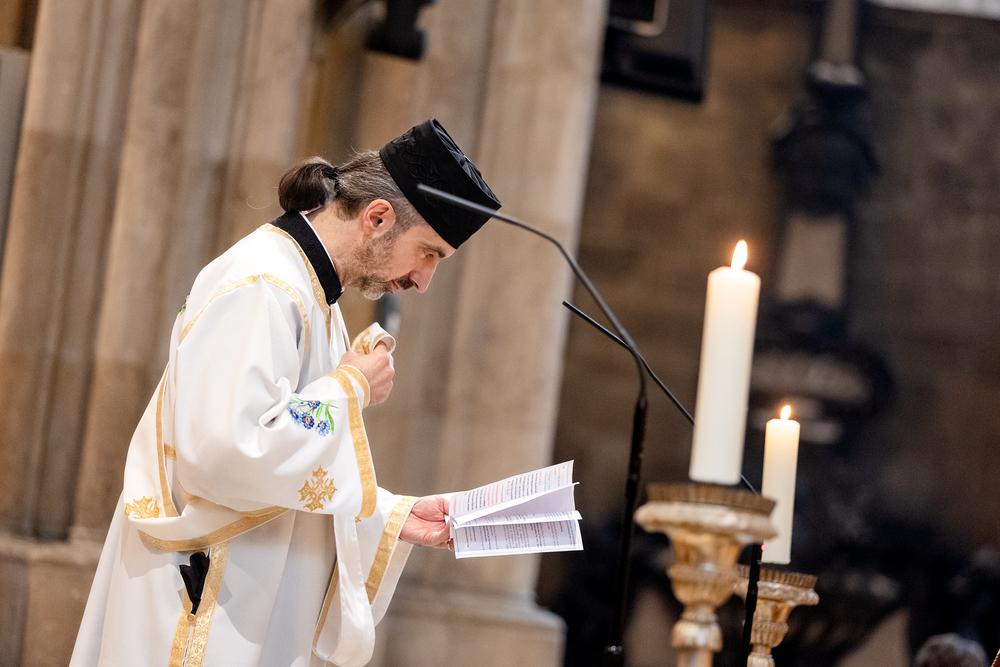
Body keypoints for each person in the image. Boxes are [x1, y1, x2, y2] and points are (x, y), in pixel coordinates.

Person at [70, 119, 501, 667]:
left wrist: (392, 516)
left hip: (246, 591)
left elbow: (296, 474)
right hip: (199, 597)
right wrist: (349, 387)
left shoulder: (314, 297)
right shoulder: (264, 285)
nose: (423, 280)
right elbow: (224, 455)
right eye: (429, 253)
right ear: (377, 218)